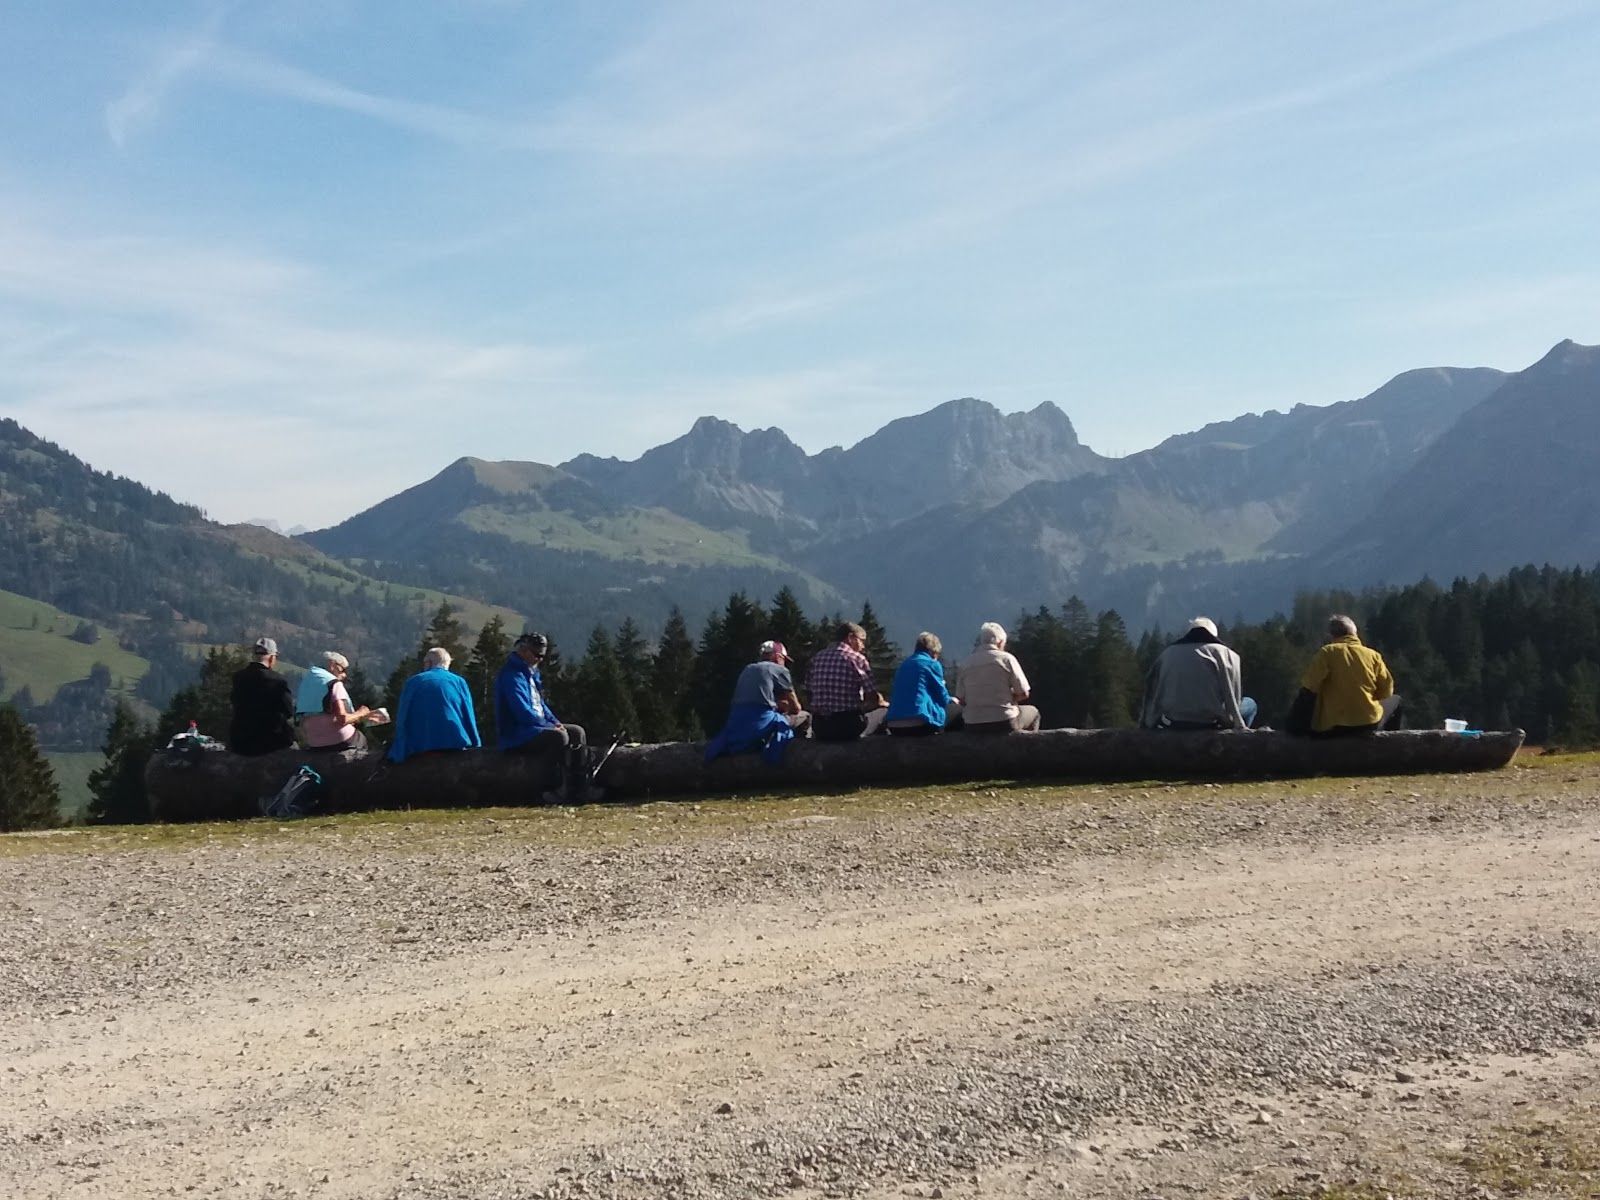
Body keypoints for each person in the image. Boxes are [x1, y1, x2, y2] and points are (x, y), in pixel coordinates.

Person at [495, 632, 600, 803]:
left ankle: (581, 786)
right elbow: (522, 712)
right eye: (537, 655)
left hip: (534, 727)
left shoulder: (529, 674)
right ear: (524, 651)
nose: (540, 659)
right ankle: (551, 789)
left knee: (576, 732)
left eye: (542, 655)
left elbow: (540, 705)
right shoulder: (511, 676)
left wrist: (555, 722)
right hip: (517, 733)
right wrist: (548, 726)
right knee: (558, 737)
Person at [1138, 617, 1257, 731]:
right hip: (1209, 721)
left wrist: (1147, 719)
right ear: (1213, 634)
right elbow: (1234, 695)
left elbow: (1150, 687)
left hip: (1175, 721)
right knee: (1250, 704)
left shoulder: (1167, 654)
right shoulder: (1226, 654)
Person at [1292, 614, 1403, 735]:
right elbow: (1387, 690)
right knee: (1396, 700)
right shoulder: (1373, 655)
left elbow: (1309, 687)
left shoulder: (1327, 652)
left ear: (1332, 635)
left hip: (1332, 726)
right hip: (1367, 724)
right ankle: (1388, 742)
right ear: (1355, 633)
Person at [705, 640, 809, 763]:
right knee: (805, 715)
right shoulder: (780, 670)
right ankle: (802, 753)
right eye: (784, 660)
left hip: (736, 723)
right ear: (777, 656)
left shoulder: (748, 669)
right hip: (760, 721)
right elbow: (796, 708)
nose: (785, 664)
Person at [387, 647, 482, 763]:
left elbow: (402, 717)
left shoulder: (413, 682)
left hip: (421, 746)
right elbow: (469, 715)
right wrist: (476, 744)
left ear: (429, 663)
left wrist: (398, 751)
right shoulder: (459, 682)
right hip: (455, 742)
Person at [805, 621, 888, 741]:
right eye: (862, 640)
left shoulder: (817, 658)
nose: (863, 646)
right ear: (850, 637)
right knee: (883, 712)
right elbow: (872, 697)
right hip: (847, 726)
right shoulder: (857, 659)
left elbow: (809, 691)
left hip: (820, 726)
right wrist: (879, 703)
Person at [954, 622, 1040, 733]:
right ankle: (1028, 746)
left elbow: (961, 699)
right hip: (1004, 721)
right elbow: (1024, 693)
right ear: (1000, 642)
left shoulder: (965, 663)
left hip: (972, 724)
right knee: (1033, 712)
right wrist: (1010, 697)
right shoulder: (1007, 659)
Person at [229, 636, 295, 756]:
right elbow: (288, 710)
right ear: (271, 657)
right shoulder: (278, 681)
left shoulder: (239, 677)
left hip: (240, 740)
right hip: (270, 741)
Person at [300, 651, 375, 754]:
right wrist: (361, 713)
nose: (344, 675)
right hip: (338, 740)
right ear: (332, 665)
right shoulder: (333, 683)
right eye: (342, 669)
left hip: (313, 742)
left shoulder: (307, 682)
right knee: (360, 739)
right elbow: (342, 719)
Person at [885, 632, 959, 736]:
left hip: (894, 724)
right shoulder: (932, 664)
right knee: (957, 712)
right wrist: (953, 700)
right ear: (933, 652)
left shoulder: (903, 665)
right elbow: (943, 698)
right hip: (919, 721)